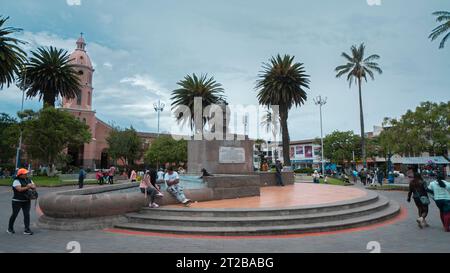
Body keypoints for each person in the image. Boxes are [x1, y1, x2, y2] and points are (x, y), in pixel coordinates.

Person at [8, 168, 36, 235]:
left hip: (26, 200)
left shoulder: (28, 179)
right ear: (20, 175)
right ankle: (10, 228)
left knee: (27, 214)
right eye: (25, 173)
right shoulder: (16, 181)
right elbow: (19, 189)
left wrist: (32, 186)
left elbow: (34, 186)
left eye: (26, 173)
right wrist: (28, 187)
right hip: (17, 201)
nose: (26, 174)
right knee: (14, 214)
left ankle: (27, 229)